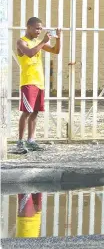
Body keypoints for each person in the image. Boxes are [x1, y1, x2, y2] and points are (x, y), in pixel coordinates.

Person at [15, 17, 61, 153]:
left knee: (35, 112)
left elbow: (55, 51)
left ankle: (31, 140)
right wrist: (43, 42)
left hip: (39, 82)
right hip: (28, 82)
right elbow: (29, 53)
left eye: (41, 28)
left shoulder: (37, 42)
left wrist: (58, 38)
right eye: (36, 28)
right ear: (28, 27)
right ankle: (20, 141)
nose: (39, 31)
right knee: (27, 112)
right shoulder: (21, 42)